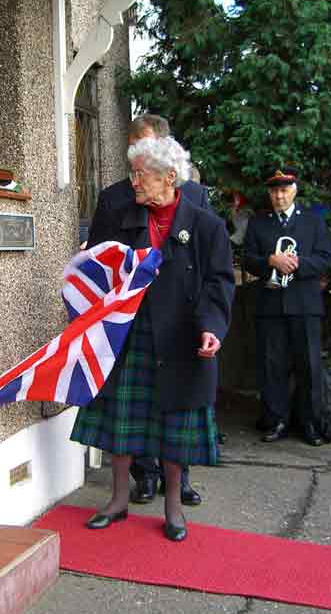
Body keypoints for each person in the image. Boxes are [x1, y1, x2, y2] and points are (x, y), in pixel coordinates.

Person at [71, 136, 234, 541]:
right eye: (133, 173)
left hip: (182, 337)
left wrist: (211, 327)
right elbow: (97, 267)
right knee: (122, 421)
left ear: (169, 178)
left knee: (173, 423)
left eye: (141, 174)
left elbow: (219, 283)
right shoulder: (120, 214)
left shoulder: (206, 225)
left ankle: (174, 507)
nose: (135, 182)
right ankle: (118, 500)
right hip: (129, 335)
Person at [87, 114, 210, 507]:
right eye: (132, 145)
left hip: (178, 323)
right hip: (135, 319)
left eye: (146, 145)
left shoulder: (195, 198)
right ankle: (143, 478)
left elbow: (211, 270)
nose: (135, 158)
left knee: (176, 405)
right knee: (132, 409)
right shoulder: (116, 198)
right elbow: (99, 260)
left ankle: (181, 481)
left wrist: (208, 323)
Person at [242, 167, 331, 446]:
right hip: (271, 304)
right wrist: (270, 261)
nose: (279, 195)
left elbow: (325, 259)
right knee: (273, 367)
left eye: (284, 190)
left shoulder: (314, 222)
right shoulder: (259, 223)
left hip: (305, 304)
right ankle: (276, 421)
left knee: (309, 366)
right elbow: (247, 259)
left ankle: (310, 424)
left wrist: (297, 263)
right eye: (274, 191)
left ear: (294, 191)